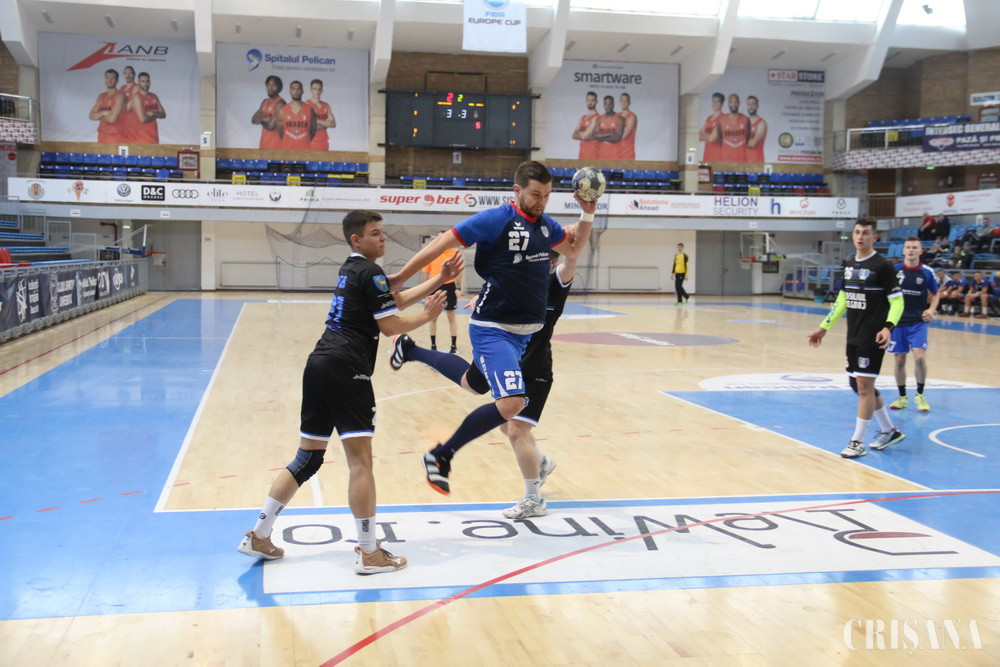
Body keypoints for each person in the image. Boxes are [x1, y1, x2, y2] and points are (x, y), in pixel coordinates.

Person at [238, 210, 462, 573]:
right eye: (375, 233)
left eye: (382, 232)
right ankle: (370, 552)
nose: (383, 237)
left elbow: (392, 299)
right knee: (360, 462)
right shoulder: (369, 272)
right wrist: (427, 315)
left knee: (307, 459)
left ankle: (259, 535)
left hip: (319, 364)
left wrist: (438, 279)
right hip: (347, 369)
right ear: (356, 239)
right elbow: (391, 326)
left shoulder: (352, 269)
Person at [385, 161, 596, 497]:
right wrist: (400, 277)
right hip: (493, 328)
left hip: (521, 337)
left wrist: (588, 212)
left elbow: (573, 249)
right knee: (512, 404)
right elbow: (442, 242)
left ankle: (410, 350)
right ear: (517, 190)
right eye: (535, 194)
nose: (541, 201)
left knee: (474, 383)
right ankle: (441, 455)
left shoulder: (547, 227)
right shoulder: (495, 219)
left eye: (547, 195)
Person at [390, 245, 587, 519]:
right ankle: (411, 350)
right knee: (474, 386)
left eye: (540, 261)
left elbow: (571, 260)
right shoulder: (517, 280)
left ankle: (534, 498)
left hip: (534, 369)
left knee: (515, 429)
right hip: (502, 356)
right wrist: (483, 301)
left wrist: (578, 229)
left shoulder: (555, 283)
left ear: (552, 264)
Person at [808, 217, 904, 459]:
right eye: (857, 232)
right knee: (857, 385)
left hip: (873, 336)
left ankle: (857, 442)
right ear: (853, 235)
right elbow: (842, 300)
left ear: (874, 237)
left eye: (866, 233)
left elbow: (898, 302)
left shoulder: (882, 266)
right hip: (853, 335)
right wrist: (824, 327)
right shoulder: (849, 264)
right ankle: (889, 430)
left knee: (864, 387)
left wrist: (888, 328)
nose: (861, 236)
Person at [887, 237, 940, 412]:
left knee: (919, 358)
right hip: (898, 322)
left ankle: (920, 394)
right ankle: (902, 397)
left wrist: (931, 310)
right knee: (899, 360)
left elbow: (935, 294)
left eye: (914, 247)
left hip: (918, 322)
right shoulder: (894, 270)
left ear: (920, 251)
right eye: (908, 247)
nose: (911, 250)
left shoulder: (927, 272)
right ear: (903, 251)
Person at [421, 241, 462, 353]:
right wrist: (425, 291)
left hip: (450, 286)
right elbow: (426, 272)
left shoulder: (453, 253)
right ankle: (433, 346)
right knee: (433, 316)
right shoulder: (432, 253)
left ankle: (453, 346)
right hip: (435, 285)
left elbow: (459, 271)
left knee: (451, 316)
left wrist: (458, 288)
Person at [89, 69, 125, 144]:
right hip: (102, 134)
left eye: (112, 78)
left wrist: (98, 116)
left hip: (115, 135)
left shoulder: (120, 96)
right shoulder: (101, 96)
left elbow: (112, 119)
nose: (109, 80)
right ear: (105, 80)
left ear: (117, 81)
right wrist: (103, 113)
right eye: (107, 78)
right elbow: (91, 116)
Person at [130, 72, 166, 144]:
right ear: (139, 83)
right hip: (141, 139)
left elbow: (163, 114)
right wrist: (156, 114)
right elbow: (143, 119)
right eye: (143, 81)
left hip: (154, 137)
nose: (145, 84)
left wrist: (152, 113)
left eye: (147, 81)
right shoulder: (137, 97)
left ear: (149, 82)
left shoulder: (154, 96)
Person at [279, 80, 316, 150]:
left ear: (302, 91)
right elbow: (280, 131)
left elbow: (313, 131)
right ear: (290, 91)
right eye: (293, 89)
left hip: (305, 150)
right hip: (287, 150)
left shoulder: (310, 110)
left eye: (298, 89)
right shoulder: (283, 110)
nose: (296, 91)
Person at [252, 75, 285, 150]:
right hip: (263, 144)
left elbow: (271, 126)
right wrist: (268, 119)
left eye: (274, 85)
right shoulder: (264, 102)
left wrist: (261, 119)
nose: (270, 88)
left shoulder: (280, 103)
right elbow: (253, 120)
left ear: (279, 88)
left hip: (276, 147)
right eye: (269, 85)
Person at [305, 79, 336, 151]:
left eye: (319, 89)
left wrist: (317, 121)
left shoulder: (326, 105)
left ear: (322, 90)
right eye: (315, 89)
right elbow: (309, 127)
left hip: (324, 141)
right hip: (312, 141)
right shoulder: (306, 105)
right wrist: (326, 124)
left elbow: (333, 124)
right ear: (311, 90)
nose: (317, 91)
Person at [719, 93, 750, 163]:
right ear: (728, 104)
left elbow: (747, 138)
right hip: (726, 160)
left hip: (742, 160)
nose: (733, 104)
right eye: (731, 102)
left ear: (738, 103)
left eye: (735, 102)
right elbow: (720, 139)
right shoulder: (722, 120)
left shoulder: (746, 119)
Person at [593, 95, 624, 160]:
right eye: (606, 104)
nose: (608, 106)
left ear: (613, 105)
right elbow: (594, 136)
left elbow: (617, 138)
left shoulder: (620, 118)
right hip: (601, 154)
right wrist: (609, 134)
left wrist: (600, 137)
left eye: (610, 103)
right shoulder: (599, 119)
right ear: (603, 105)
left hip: (615, 155)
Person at [572, 91, 600, 160]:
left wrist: (578, 132)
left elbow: (584, 136)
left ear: (596, 101)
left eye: (592, 100)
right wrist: (582, 134)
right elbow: (574, 136)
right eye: (588, 100)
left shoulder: (596, 118)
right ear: (586, 101)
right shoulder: (583, 117)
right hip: (581, 155)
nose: (590, 102)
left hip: (592, 156)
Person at [698, 92, 724, 162]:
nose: (714, 103)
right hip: (707, 155)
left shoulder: (723, 118)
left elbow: (712, 138)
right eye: (713, 101)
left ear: (721, 104)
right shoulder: (709, 119)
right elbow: (698, 136)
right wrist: (710, 136)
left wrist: (705, 135)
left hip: (718, 156)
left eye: (717, 101)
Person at [117, 65, 140, 143]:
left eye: (130, 73)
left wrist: (119, 107)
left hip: (133, 122)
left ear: (134, 74)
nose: (128, 75)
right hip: (123, 122)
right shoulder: (121, 88)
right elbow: (117, 104)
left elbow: (128, 106)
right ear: (123, 74)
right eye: (126, 73)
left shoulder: (136, 87)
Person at [745, 95, 767, 163]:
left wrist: (737, 142)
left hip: (756, 163)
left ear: (757, 106)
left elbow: (753, 143)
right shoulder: (743, 122)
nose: (751, 106)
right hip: (743, 163)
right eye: (749, 104)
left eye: (753, 104)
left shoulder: (761, 123)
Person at [616, 92, 637, 160]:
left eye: (626, 100)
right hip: (616, 153)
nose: (624, 103)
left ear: (629, 103)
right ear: (620, 102)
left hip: (627, 155)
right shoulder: (617, 115)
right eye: (622, 100)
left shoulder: (631, 117)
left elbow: (623, 135)